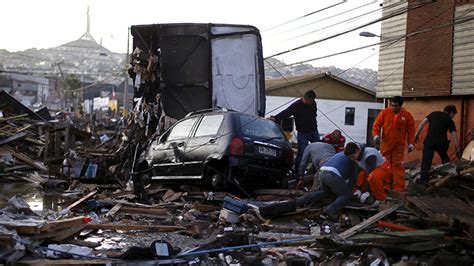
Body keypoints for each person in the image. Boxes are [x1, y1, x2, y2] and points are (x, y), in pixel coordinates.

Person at [295, 144, 359, 221]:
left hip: (322, 171)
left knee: (325, 192)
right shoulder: (353, 161)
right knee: (346, 195)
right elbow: (352, 180)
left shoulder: (339, 154)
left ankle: (300, 200)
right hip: (332, 173)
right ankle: (330, 210)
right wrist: (350, 194)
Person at [372, 96, 415, 192]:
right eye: (392, 105)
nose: (393, 108)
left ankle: (398, 188)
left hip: (399, 146)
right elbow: (377, 124)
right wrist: (375, 135)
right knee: (385, 164)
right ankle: (386, 186)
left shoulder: (407, 116)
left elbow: (411, 131)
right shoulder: (385, 112)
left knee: (397, 165)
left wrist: (411, 143)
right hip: (386, 144)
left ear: (400, 106)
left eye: (395, 106)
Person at [270, 90, 319, 171]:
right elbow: (286, 112)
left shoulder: (313, 103)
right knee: (302, 152)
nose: (311, 102)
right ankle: (298, 170)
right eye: (310, 101)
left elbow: (314, 114)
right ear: (306, 98)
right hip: (303, 132)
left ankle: (316, 168)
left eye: (312, 101)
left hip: (313, 130)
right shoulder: (296, 105)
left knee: (318, 149)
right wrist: (276, 117)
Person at [414, 105, 460, 186]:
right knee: (445, 160)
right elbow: (454, 134)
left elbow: (422, 123)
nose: (453, 117)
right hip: (441, 143)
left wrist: (416, 135)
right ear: (451, 112)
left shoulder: (433, 114)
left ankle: (423, 182)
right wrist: (457, 148)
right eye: (454, 115)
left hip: (429, 142)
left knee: (426, 163)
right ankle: (447, 178)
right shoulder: (449, 120)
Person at [348, 142, 392, 207]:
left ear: (357, 151)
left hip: (384, 168)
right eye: (350, 157)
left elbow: (369, 173)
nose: (352, 159)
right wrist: (358, 189)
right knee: (361, 175)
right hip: (371, 168)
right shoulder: (357, 155)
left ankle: (381, 199)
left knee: (373, 177)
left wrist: (368, 192)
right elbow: (358, 172)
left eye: (352, 156)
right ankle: (360, 192)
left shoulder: (370, 156)